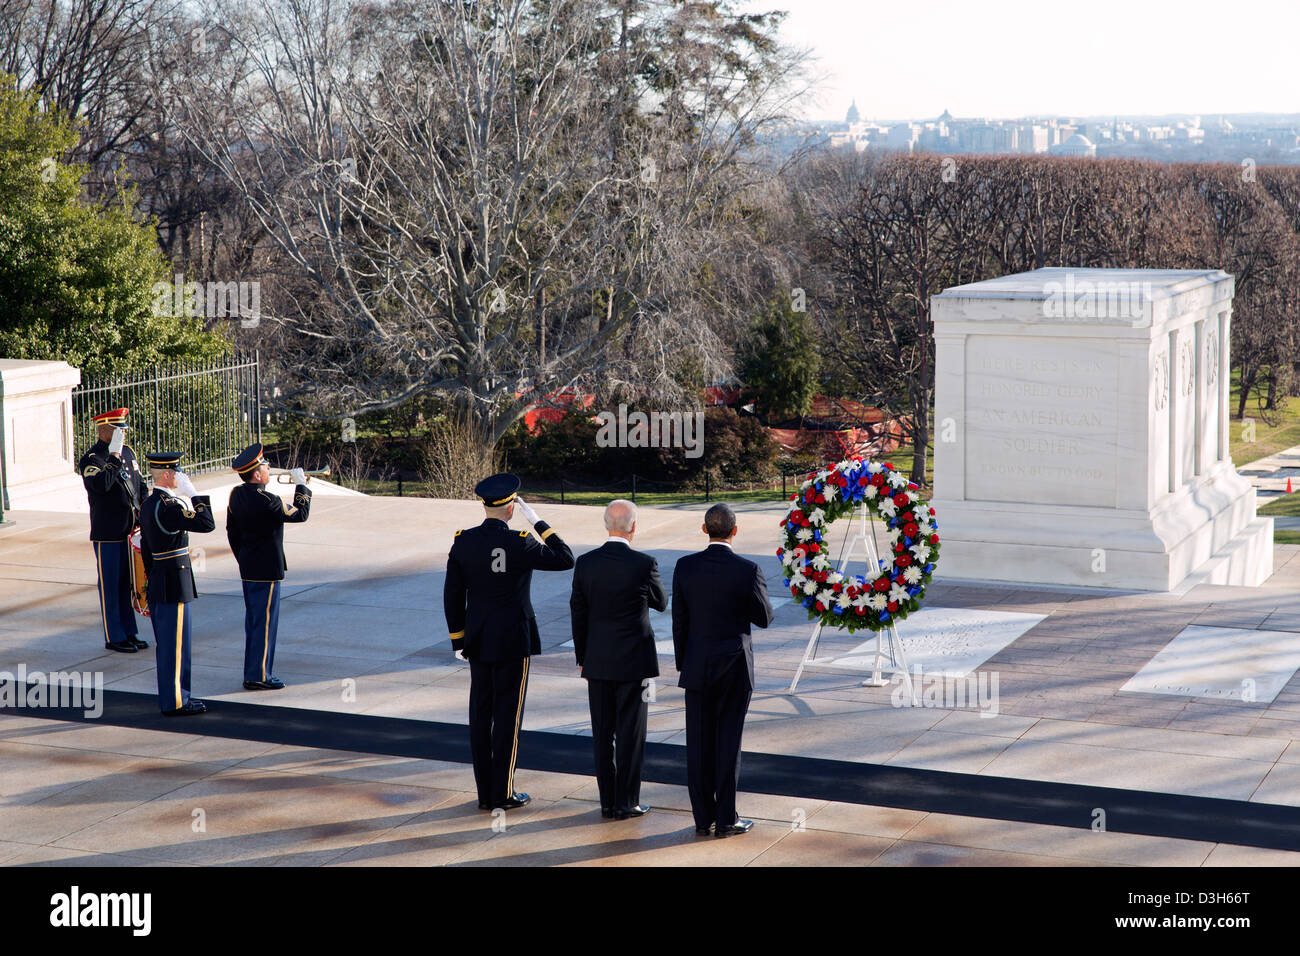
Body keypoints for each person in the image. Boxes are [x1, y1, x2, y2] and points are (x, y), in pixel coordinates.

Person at [443, 474, 574, 812]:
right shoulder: (521, 541)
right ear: (512, 507)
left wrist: (458, 638)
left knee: (480, 713)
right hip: (513, 638)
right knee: (507, 716)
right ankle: (502, 792)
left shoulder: (463, 541)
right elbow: (565, 557)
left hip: (478, 637)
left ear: (485, 505)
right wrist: (538, 521)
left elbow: (452, 596)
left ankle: (485, 792)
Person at [671, 503, 774, 837]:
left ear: (704, 530)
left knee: (698, 743)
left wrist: (683, 663)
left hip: (697, 665)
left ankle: (703, 818)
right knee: (729, 743)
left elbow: (679, 622)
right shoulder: (747, 569)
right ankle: (727, 819)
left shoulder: (685, 567)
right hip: (734, 668)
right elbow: (764, 618)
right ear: (735, 530)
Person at [570, 499, 667, 820]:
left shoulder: (585, 563)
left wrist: (582, 658)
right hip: (635, 664)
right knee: (631, 734)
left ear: (605, 524)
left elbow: (578, 614)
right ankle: (628, 801)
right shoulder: (644, 563)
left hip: (597, 662)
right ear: (634, 527)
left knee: (602, 734)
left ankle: (608, 802)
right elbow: (661, 602)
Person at [226, 444, 311, 691]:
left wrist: (243, 558)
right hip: (266, 571)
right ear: (256, 474)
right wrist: (302, 486)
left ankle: (254, 672)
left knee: (254, 623)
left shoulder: (236, 494)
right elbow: (300, 514)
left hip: (249, 568)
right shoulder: (267, 500)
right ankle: (259, 675)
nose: (269, 468)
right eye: (265, 466)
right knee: (264, 625)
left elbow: (232, 532)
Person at [138, 451, 215, 715]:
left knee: (169, 645)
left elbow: (147, 550)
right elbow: (207, 523)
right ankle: (176, 701)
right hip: (174, 580)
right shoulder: (170, 507)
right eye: (178, 473)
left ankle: (176, 697)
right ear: (168, 475)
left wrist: (152, 579)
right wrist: (193, 494)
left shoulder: (149, 504)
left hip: (160, 577)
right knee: (176, 647)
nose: (182, 476)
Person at [78, 408, 147, 653]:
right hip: (107, 532)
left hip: (129, 530)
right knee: (110, 586)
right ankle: (114, 636)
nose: (123, 434)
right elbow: (101, 487)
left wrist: (143, 515)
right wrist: (114, 458)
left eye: (123, 430)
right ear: (103, 430)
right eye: (118, 430)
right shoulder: (92, 459)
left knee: (127, 585)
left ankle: (130, 631)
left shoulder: (129, 453)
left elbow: (140, 486)